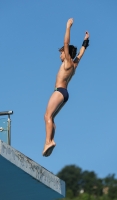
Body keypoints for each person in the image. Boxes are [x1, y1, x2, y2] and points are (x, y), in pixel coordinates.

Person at [42, 18, 90, 157]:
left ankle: (48, 141)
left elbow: (66, 43)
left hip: (59, 91)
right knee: (51, 118)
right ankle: (50, 140)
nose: (60, 54)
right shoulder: (74, 65)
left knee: (47, 116)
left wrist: (68, 27)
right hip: (65, 94)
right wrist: (85, 41)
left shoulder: (68, 62)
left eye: (62, 52)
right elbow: (81, 54)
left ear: (66, 53)